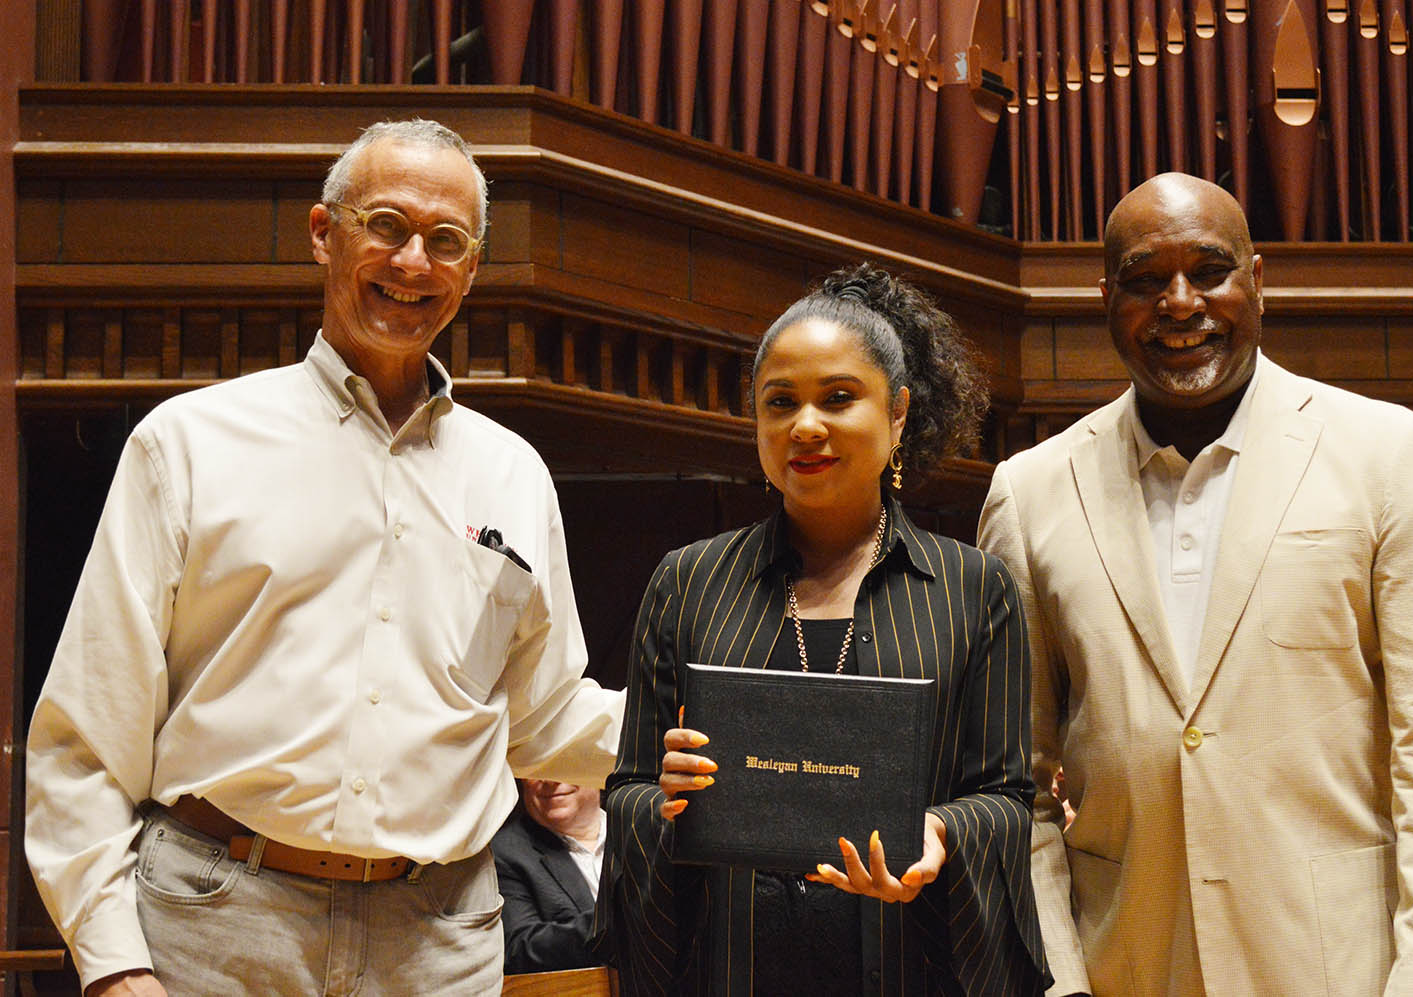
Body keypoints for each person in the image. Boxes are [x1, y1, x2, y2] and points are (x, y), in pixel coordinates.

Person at [25, 119, 622, 997]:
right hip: (215, 922)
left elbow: (545, 717)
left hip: (439, 936)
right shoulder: (187, 444)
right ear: (322, 232)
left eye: (447, 241)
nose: (414, 261)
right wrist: (115, 967)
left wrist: (709, 724)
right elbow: (84, 734)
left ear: (471, 268)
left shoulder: (514, 474)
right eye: (386, 225)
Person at [978, 172, 1413, 995]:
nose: (1180, 304)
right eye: (1146, 281)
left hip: (1346, 971)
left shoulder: (1394, 456)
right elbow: (1015, 784)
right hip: (1128, 968)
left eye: (1210, 271)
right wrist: (1059, 981)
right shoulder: (1031, 490)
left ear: (1257, 281)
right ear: (1106, 298)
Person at [600, 264, 1049, 996]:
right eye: (780, 403)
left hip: (908, 966)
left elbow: (1004, 794)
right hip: (732, 971)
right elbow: (628, 791)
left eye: (839, 398)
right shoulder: (687, 581)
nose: (805, 426)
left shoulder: (974, 587)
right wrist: (667, 800)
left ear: (897, 412)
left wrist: (937, 834)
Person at [490, 779, 607, 975]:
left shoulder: (644, 826)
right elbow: (518, 949)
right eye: (538, 768)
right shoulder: (504, 853)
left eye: (565, 761)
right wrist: (612, 924)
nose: (551, 780)